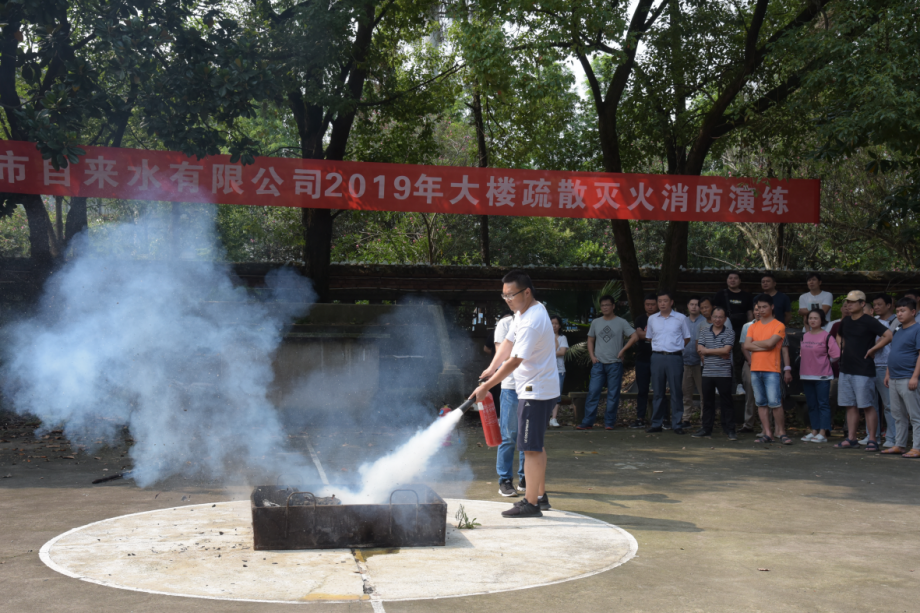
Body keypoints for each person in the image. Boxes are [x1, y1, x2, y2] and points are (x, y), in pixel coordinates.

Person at [474, 270, 559, 517]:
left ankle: (531, 504)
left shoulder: (532, 320)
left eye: (511, 295)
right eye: (504, 296)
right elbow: (508, 343)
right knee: (535, 446)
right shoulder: (524, 313)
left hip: (536, 391)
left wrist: (486, 387)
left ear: (527, 292)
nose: (507, 300)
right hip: (536, 388)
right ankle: (540, 496)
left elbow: (514, 360)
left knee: (530, 449)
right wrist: (491, 368)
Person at [832, 290, 893, 452]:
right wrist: (842, 348)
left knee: (867, 405)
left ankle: (873, 439)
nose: (849, 304)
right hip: (846, 368)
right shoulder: (846, 321)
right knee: (849, 405)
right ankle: (851, 438)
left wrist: (874, 349)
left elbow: (888, 335)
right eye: (848, 302)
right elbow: (839, 336)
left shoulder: (869, 321)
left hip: (863, 369)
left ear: (862, 303)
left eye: (853, 302)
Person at [577, 296, 635, 430]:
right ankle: (587, 422)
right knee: (593, 392)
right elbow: (590, 340)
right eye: (602, 305)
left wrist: (623, 350)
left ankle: (609, 422)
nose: (605, 307)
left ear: (613, 306)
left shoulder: (621, 322)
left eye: (607, 305)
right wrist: (592, 356)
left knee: (613, 394)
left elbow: (634, 336)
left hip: (615, 363)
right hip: (598, 363)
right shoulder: (596, 322)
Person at [744, 294, 791, 444]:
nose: (761, 310)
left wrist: (756, 344)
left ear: (772, 307)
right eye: (759, 307)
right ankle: (768, 433)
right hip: (755, 368)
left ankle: (781, 432)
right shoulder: (752, 326)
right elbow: (746, 345)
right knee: (761, 403)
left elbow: (771, 344)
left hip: (772, 369)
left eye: (765, 307)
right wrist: (764, 345)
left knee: (775, 403)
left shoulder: (778, 325)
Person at [644, 291, 692, 434]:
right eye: (660, 301)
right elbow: (650, 337)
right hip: (657, 357)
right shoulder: (652, 319)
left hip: (674, 357)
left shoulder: (681, 318)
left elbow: (687, 338)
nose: (662, 304)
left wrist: (675, 348)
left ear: (671, 302)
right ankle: (657, 423)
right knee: (658, 391)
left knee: (676, 390)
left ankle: (677, 424)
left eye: (665, 301)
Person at [883, 297, 920, 458]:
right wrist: (888, 373)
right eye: (897, 311)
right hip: (894, 378)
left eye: (903, 311)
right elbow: (893, 352)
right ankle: (899, 444)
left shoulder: (918, 329)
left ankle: (917, 447)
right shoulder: (897, 329)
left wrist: (915, 377)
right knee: (897, 414)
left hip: (908, 378)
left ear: (913, 312)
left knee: (915, 415)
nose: (899, 314)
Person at [493, 310, 525, 497]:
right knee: (508, 435)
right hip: (511, 387)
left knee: (528, 436)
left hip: (532, 387)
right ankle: (505, 480)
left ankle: (526, 477)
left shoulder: (537, 320)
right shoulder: (505, 324)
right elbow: (502, 355)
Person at [799, 308, 840, 443]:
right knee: (811, 404)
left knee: (823, 404)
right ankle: (814, 430)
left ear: (822, 320)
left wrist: (825, 363)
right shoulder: (805, 336)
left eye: (816, 318)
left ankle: (823, 432)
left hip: (822, 376)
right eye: (810, 318)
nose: (812, 320)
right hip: (806, 375)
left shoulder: (827, 336)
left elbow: (836, 355)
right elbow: (802, 354)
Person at [695, 306, 736, 439]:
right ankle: (706, 428)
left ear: (725, 319)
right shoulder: (704, 331)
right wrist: (718, 351)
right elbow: (700, 349)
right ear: (711, 317)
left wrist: (707, 351)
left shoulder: (730, 332)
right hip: (707, 372)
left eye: (720, 317)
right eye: (715, 317)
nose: (717, 319)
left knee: (726, 402)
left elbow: (726, 350)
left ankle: (730, 430)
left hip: (724, 373)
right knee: (708, 402)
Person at [712, 272, 753, 387]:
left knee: (739, 357)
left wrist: (751, 328)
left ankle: (739, 384)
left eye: (735, 278)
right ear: (727, 280)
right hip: (723, 331)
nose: (732, 280)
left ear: (740, 281)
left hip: (741, 331)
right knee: (722, 356)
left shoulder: (746, 296)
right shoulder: (721, 294)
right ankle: (720, 383)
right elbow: (714, 312)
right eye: (730, 278)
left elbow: (750, 314)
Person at [869, 294, 898, 447]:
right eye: (874, 305)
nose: (876, 307)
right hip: (870, 365)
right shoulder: (872, 321)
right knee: (871, 404)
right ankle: (872, 436)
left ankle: (892, 438)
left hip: (886, 366)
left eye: (880, 304)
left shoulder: (897, 321)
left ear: (889, 305)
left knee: (889, 404)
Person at [628, 294, 659, 429]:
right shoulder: (640, 319)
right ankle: (640, 418)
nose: (650, 307)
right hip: (642, 359)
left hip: (658, 358)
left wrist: (644, 335)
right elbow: (638, 334)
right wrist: (654, 336)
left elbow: (643, 334)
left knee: (659, 390)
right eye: (647, 304)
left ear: (657, 305)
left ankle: (661, 418)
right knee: (642, 390)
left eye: (653, 304)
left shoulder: (661, 319)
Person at [680, 296, 706, 429]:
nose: (694, 307)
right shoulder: (682, 321)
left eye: (697, 304)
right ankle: (686, 418)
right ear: (688, 306)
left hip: (700, 363)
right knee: (686, 392)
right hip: (685, 362)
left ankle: (704, 419)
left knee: (703, 393)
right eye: (692, 304)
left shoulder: (705, 321)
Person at [737, 304, 762, 432]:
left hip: (765, 363)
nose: (758, 312)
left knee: (765, 394)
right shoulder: (747, 326)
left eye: (761, 309)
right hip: (749, 362)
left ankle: (766, 425)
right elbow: (743, 346)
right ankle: (748, 424)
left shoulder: (771, 325)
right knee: (750, 394)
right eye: (756, 309)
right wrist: (750, 360)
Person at [549, 315, 568, 429]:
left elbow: (562, 352)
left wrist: (547, 353)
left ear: (560, 325)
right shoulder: (543, 338)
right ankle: (545, 418)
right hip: (546, 371)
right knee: (545, 394)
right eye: (552, 323)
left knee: (557, 395)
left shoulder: (562, 338)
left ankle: (554, 418)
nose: (554, 326)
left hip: (559, 371)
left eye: (556, 323)